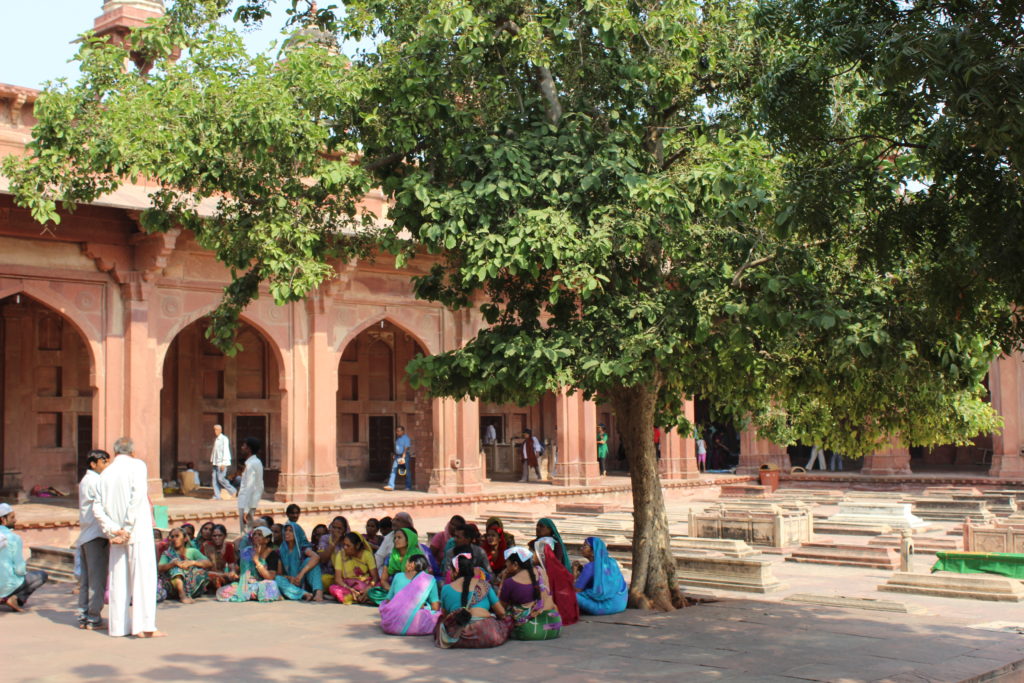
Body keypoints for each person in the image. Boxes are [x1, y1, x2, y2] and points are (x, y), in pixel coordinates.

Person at [92, 437, 164, 638]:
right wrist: (127, 527)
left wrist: (112, 529)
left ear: (115, 452)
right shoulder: (137, 466)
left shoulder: (105, 473)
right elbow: (138, 496)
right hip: (136, 530)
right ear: (132, 452)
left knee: (118, 580)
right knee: (143, 577)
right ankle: (144, 626)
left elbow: (96, 507)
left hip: (117, 535)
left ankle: (118, 627)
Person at [435, 554, 509, 649]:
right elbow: (501, 613)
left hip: (457, 635)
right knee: (508, 621)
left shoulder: (446, 589)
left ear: (455, 572)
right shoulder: (484, 585)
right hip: (487, 634)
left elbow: (445, 616)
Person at [76, 450, 110, 629]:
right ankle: (93, 617)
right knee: (96, 581)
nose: (106, 466)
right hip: (96, 535)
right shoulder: (95, 481)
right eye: (103, 462)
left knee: (87, 580)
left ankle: (84, 615)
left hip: (87, 535)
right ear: (93, 463)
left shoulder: (86, 480)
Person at [499, 547, 561, 640]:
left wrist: (503, 580)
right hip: (554, 627)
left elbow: (500, 608)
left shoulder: (510, 582)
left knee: (507, 613)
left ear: (515, 564)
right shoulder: (541, 572)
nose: (505, 564)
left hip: (529, 631)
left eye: (507, 562)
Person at [0, 503, 48, 613]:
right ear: (3, 520)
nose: (15, 520)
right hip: (7, 585)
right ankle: (16, 598)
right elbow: (19, 570)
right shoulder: (13, 538)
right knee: (41, 575)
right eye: (12, 517)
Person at [379, 554, 441, 636]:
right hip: (417, 622)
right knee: (438, 614)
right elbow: (435, 607)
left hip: (393, 621)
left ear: (411, 565)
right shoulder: (429, 580)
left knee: (383, 605)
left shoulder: (398, 576)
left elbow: (389, 600)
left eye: (407, 561)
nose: (405, 564)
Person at [216, 526, 282, 602]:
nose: (256, 536)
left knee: (271, 584)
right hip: (246, 585)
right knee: (221, 591)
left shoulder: (272, 554)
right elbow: (237, 569)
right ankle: (251, 594)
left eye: (260, 535)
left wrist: (257, 561)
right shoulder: (246, 551)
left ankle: (251, 594)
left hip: (262, 583)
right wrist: (234, 573)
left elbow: (270, 577)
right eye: (254, 534)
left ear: (267, 540)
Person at [573, 537, 628, 615]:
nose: (581, 548)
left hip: (605, 607)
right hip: (621, 603)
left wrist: (574, 573)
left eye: (584, 546)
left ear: (593, 551)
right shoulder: (612, 562)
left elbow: (577, 590)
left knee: (570, 594)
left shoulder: (590, 567)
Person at [158, 527, 212, 603]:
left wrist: (192, 562)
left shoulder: (193, 552)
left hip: (191, 587)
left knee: (201, 570)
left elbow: (208, 563)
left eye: (177, 536)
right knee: (176, 569)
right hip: (173, 589)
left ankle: (188, 593)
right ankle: (182, 595)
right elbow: (159, 568)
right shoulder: (167, 553)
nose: (174, 539)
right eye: (172, 537)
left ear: (185, 539)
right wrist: (173, 564)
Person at [367, 527, 420, 605]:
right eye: (395, 538)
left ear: (408, 540)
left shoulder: (416, 557)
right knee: (372, 593)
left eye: (399, 538)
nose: (396, 540)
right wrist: (392, 591)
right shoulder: (390, 557)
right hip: (392, 590)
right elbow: (384, 580)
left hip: (411, 590)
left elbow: (421, 580)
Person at [535, 537, 579, 626]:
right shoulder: (560, 568)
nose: (532, 555)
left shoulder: (545, 571)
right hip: (570, 613)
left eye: (533, 552)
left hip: (558, 613)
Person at [275, 521, 323, 601]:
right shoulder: (281, 550)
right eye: (286, 530)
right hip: (290, 583)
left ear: (297, 533)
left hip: (303, 579)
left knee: (311, 561)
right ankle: (303, 594)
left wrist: (300, 574)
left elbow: (316, 557)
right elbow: (280, 573)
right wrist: (289, 578)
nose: (287, 532)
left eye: (291, 531)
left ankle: (318, 592)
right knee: (277, 579)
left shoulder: (302, 547)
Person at [328, 532, 379, 604]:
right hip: (348, 586)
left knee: (378, 588)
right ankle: (361, 598)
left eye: (348, 546)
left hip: (365, 585)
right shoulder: (340, 555)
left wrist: (367, 589)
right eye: (344, 545)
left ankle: (359, 597)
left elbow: (375, 577)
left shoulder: (367, 555)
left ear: (357, 545)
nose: (345, 548)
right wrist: (351, 589)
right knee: (333, 588)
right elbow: (338, 579)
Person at [236, 437, 265, 534]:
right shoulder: (256, 462)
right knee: (249, 531)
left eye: (244, 446)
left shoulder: (251, 464)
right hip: (250, 502)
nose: (242, 448)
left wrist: (246, 509)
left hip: (246, 503)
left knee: (246, 532)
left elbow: (250, 487)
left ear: (249, 449)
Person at [201, 524, 238, 591]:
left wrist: (232, 573)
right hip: (208, 575)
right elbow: (202, 570)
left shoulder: (228, 546)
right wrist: (222, 575)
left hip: (222, 575)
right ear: (211, 537)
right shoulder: (206, 546)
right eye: (214, 536)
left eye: (220, 535)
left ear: (225, 536)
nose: (217, 538)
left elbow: (231, 566)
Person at [210, 424, 237, 500]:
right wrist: (212, 460)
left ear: (220, 430)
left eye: (217, 430)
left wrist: (224, 463)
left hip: (221, 462)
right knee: (214, 479)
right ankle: (217, 495)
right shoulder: (216, 439)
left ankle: (232, 490)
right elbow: (214, 451)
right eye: (214, 430)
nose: (215, 431)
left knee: (221, 478)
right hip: (215, 462)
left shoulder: (224, 439)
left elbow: (225, 451)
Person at [384, 425, 413, 491]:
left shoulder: (406, 438)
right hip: (397, 456)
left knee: (406, 471)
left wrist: (403, 456)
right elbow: (397, 448)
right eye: (397, 431)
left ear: (403, 431)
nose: (397, 432)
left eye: (399, 431)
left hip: (404, 456)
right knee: (393, 470)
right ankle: (391, 485)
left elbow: (406, 448)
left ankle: (408, 486)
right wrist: (395, 454)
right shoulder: (398, 438)